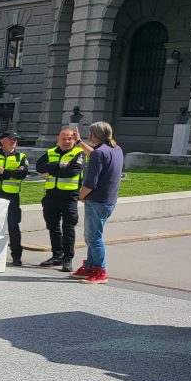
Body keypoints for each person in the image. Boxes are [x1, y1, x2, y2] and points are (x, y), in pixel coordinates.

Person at [75, 121, 124, 284]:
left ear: (92, 135)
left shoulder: (99, 153)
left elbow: (90, 183)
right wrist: (79, 143)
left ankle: (100, 271)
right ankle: (90, 266)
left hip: (96, 201)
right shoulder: (116, 149)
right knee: (92, 236)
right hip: (109, 200)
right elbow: (97, 155)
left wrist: (81, 196)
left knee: (94, 238)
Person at [35, 126, 86, 272]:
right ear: (58, 139)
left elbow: (72, 171)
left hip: (69, 197)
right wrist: (59, 165)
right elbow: (39, 167)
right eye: (64, 138)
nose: (66, 141)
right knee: (53, 227)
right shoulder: (50, 152)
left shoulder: (79, 153)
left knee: (68, 228)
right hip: (51, 196)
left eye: (70, 138)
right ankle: (57, 256)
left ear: (74, 140)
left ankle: (67, 259)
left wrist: (50, 170)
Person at [0, 130, 29, 267]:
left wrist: (3, 172)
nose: (14, 141)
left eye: (15, 139)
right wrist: (12, 174)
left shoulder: (21, 156)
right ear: (2, 140)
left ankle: (16, 257)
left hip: (12, 196)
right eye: (11, 139)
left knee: (13, 227)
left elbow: (22, 174)